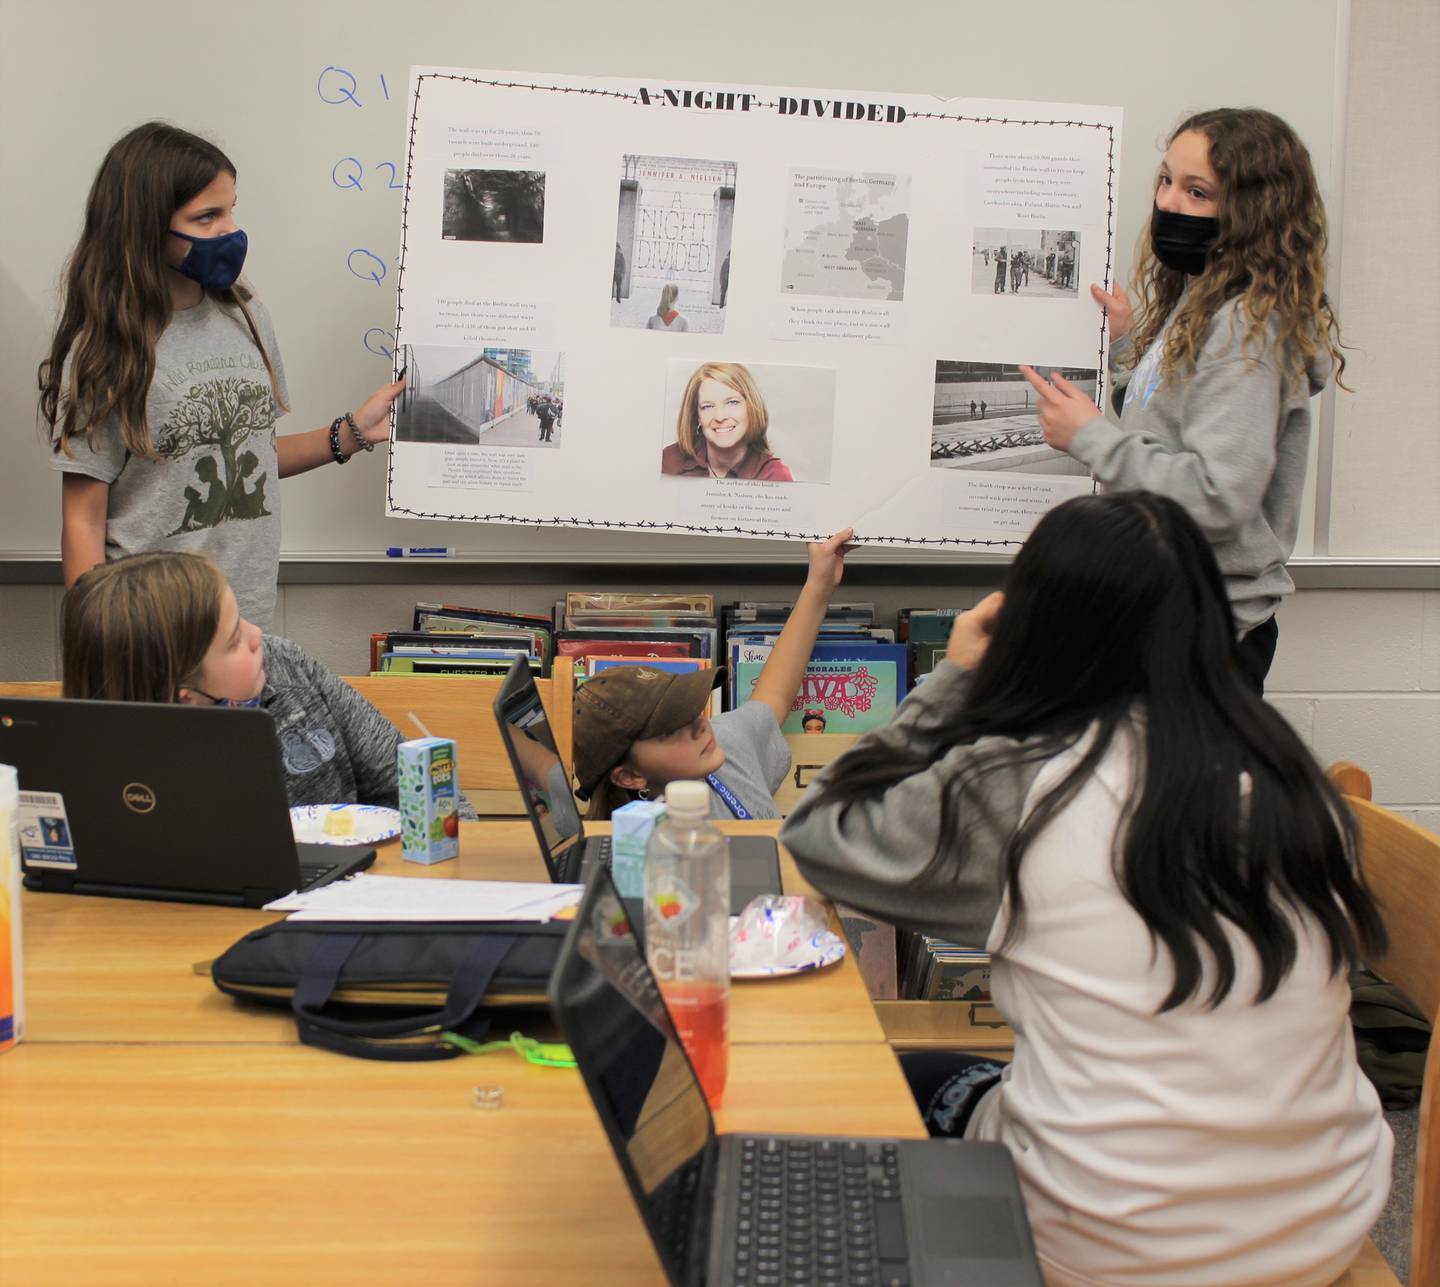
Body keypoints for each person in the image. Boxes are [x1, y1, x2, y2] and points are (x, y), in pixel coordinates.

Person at [779, 492, 1391, 1287]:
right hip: (1323, 1217)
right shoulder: (1293, 779)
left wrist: (955, 681)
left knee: (895, 1080)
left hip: (1103, 1246)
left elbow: (820, 829)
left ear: (1036, 623)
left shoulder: (1022, 784)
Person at [1019, 108, 1347, 691]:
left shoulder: (1246, 324)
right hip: (1169, 610)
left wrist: (1091, 437)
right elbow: (1171, 423)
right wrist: (1125, 348)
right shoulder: (1206, 299)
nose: (1169, 203)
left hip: (1204, 630)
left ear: (1252, 213)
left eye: (1198, 192)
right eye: (1166, 180)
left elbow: (1217, 497)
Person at [39, 122, 405, 632]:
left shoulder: (246, 316)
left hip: (244, 626)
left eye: (232, 209)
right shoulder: (108, 351)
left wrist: (352, 434)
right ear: (145, 225)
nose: (230, 230)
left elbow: (252, 452)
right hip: (153, 635)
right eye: (207, 216)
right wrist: (103, 648)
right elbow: (82, 522)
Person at [60, 551, 402, 809]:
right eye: (234, 639)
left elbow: (411, 782)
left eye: (242, 621)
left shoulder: (287, 668)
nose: (256, 636)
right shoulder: (105, 775)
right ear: (185, 700)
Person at [575, 528, 854, 821]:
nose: (699, 726)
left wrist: (819, 584)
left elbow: (773, 696)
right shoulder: (644, 847)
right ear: (630, 776)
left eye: (689, 708)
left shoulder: (722, 746)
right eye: (670, 731)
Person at [660, 362, 795, 481]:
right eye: (707, 406)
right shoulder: (668, 461)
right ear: (697, 416)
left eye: (732, 402)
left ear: (751, 408)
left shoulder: (774, 476)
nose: (720, 417)